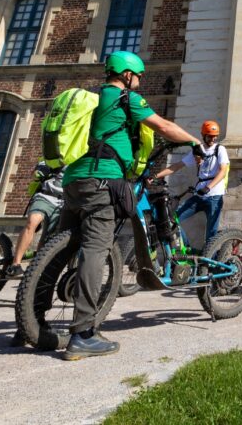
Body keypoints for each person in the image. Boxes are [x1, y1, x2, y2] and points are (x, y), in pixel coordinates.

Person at [59, 51, 200, 360]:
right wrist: (195, 143)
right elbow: (163, 126)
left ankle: (29, 321)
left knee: (57, 254)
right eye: (137, 77)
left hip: (73, 181)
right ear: (126, 75)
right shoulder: (126, 99)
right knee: (94, 251)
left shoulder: (94, 100)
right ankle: (82, 333)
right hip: (103, 180)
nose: (138, 82)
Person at [152, 120, 229, 244]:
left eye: (215, 136)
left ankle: (211, 261)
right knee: (174, 219)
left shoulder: (220, 149)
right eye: (210, 136)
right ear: (203, 135)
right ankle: (186, 247)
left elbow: (222, 171)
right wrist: (156, 176)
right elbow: (177, 166)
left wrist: (208, 187)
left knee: (211, 232)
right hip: (199, 195)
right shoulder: (197, 151)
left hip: (214, 195)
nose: (213, 139)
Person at [6, 161, 64, 278]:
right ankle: (15, 265)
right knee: (32, 222)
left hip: (63, 202)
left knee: (48, 238)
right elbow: (37, 171)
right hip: (45, 196)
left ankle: (35, 268)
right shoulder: (57, 154)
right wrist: (40, 172)